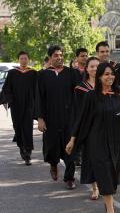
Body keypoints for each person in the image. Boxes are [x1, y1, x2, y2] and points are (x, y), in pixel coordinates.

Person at [65, 62, 120, 213]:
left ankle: (107, 202)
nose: (110, 77)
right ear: (99, 77)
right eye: (106, 74)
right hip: (97, 141)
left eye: (112, 74)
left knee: (113, 174)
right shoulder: (91, 96)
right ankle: (110, 209)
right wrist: (72, 139)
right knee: (104, 174)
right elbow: (82, 119)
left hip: (118, 142)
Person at [36, 45, 78, 189]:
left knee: (70, 148)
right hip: (51, 118)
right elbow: (38, 98)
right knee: (52, 147)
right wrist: (40, 118)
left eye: (61, 55)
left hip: (69, 118)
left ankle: (69, 178)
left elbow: (79, 94)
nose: (59, 57)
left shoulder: (71, 73)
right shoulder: (42, 75)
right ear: (50, 58)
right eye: (56, 55)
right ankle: (54, 165)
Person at [65, 57, 100, 200]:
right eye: (91, 66)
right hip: (88, 129)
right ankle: (95, 188)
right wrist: (75, 135)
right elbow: (78, 112)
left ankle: (106, 183)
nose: (94, 69)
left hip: (104, 127)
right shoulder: (80, 88)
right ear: (86, 69)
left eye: (97, 66)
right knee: (91, 158)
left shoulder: (107, 85)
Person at [0, 51, 37, 166]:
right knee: (18, 127)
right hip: (16, 106)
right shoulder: (12, 73)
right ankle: (21, 146)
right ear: (18, 60)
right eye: (21, 58)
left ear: (28, 59)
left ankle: (28, 153)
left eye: (25, 58)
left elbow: (38, 89)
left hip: (29, 105)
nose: (24, 60)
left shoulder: (33, 73)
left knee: (28, 128)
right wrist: (10, 100)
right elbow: (6, 88)